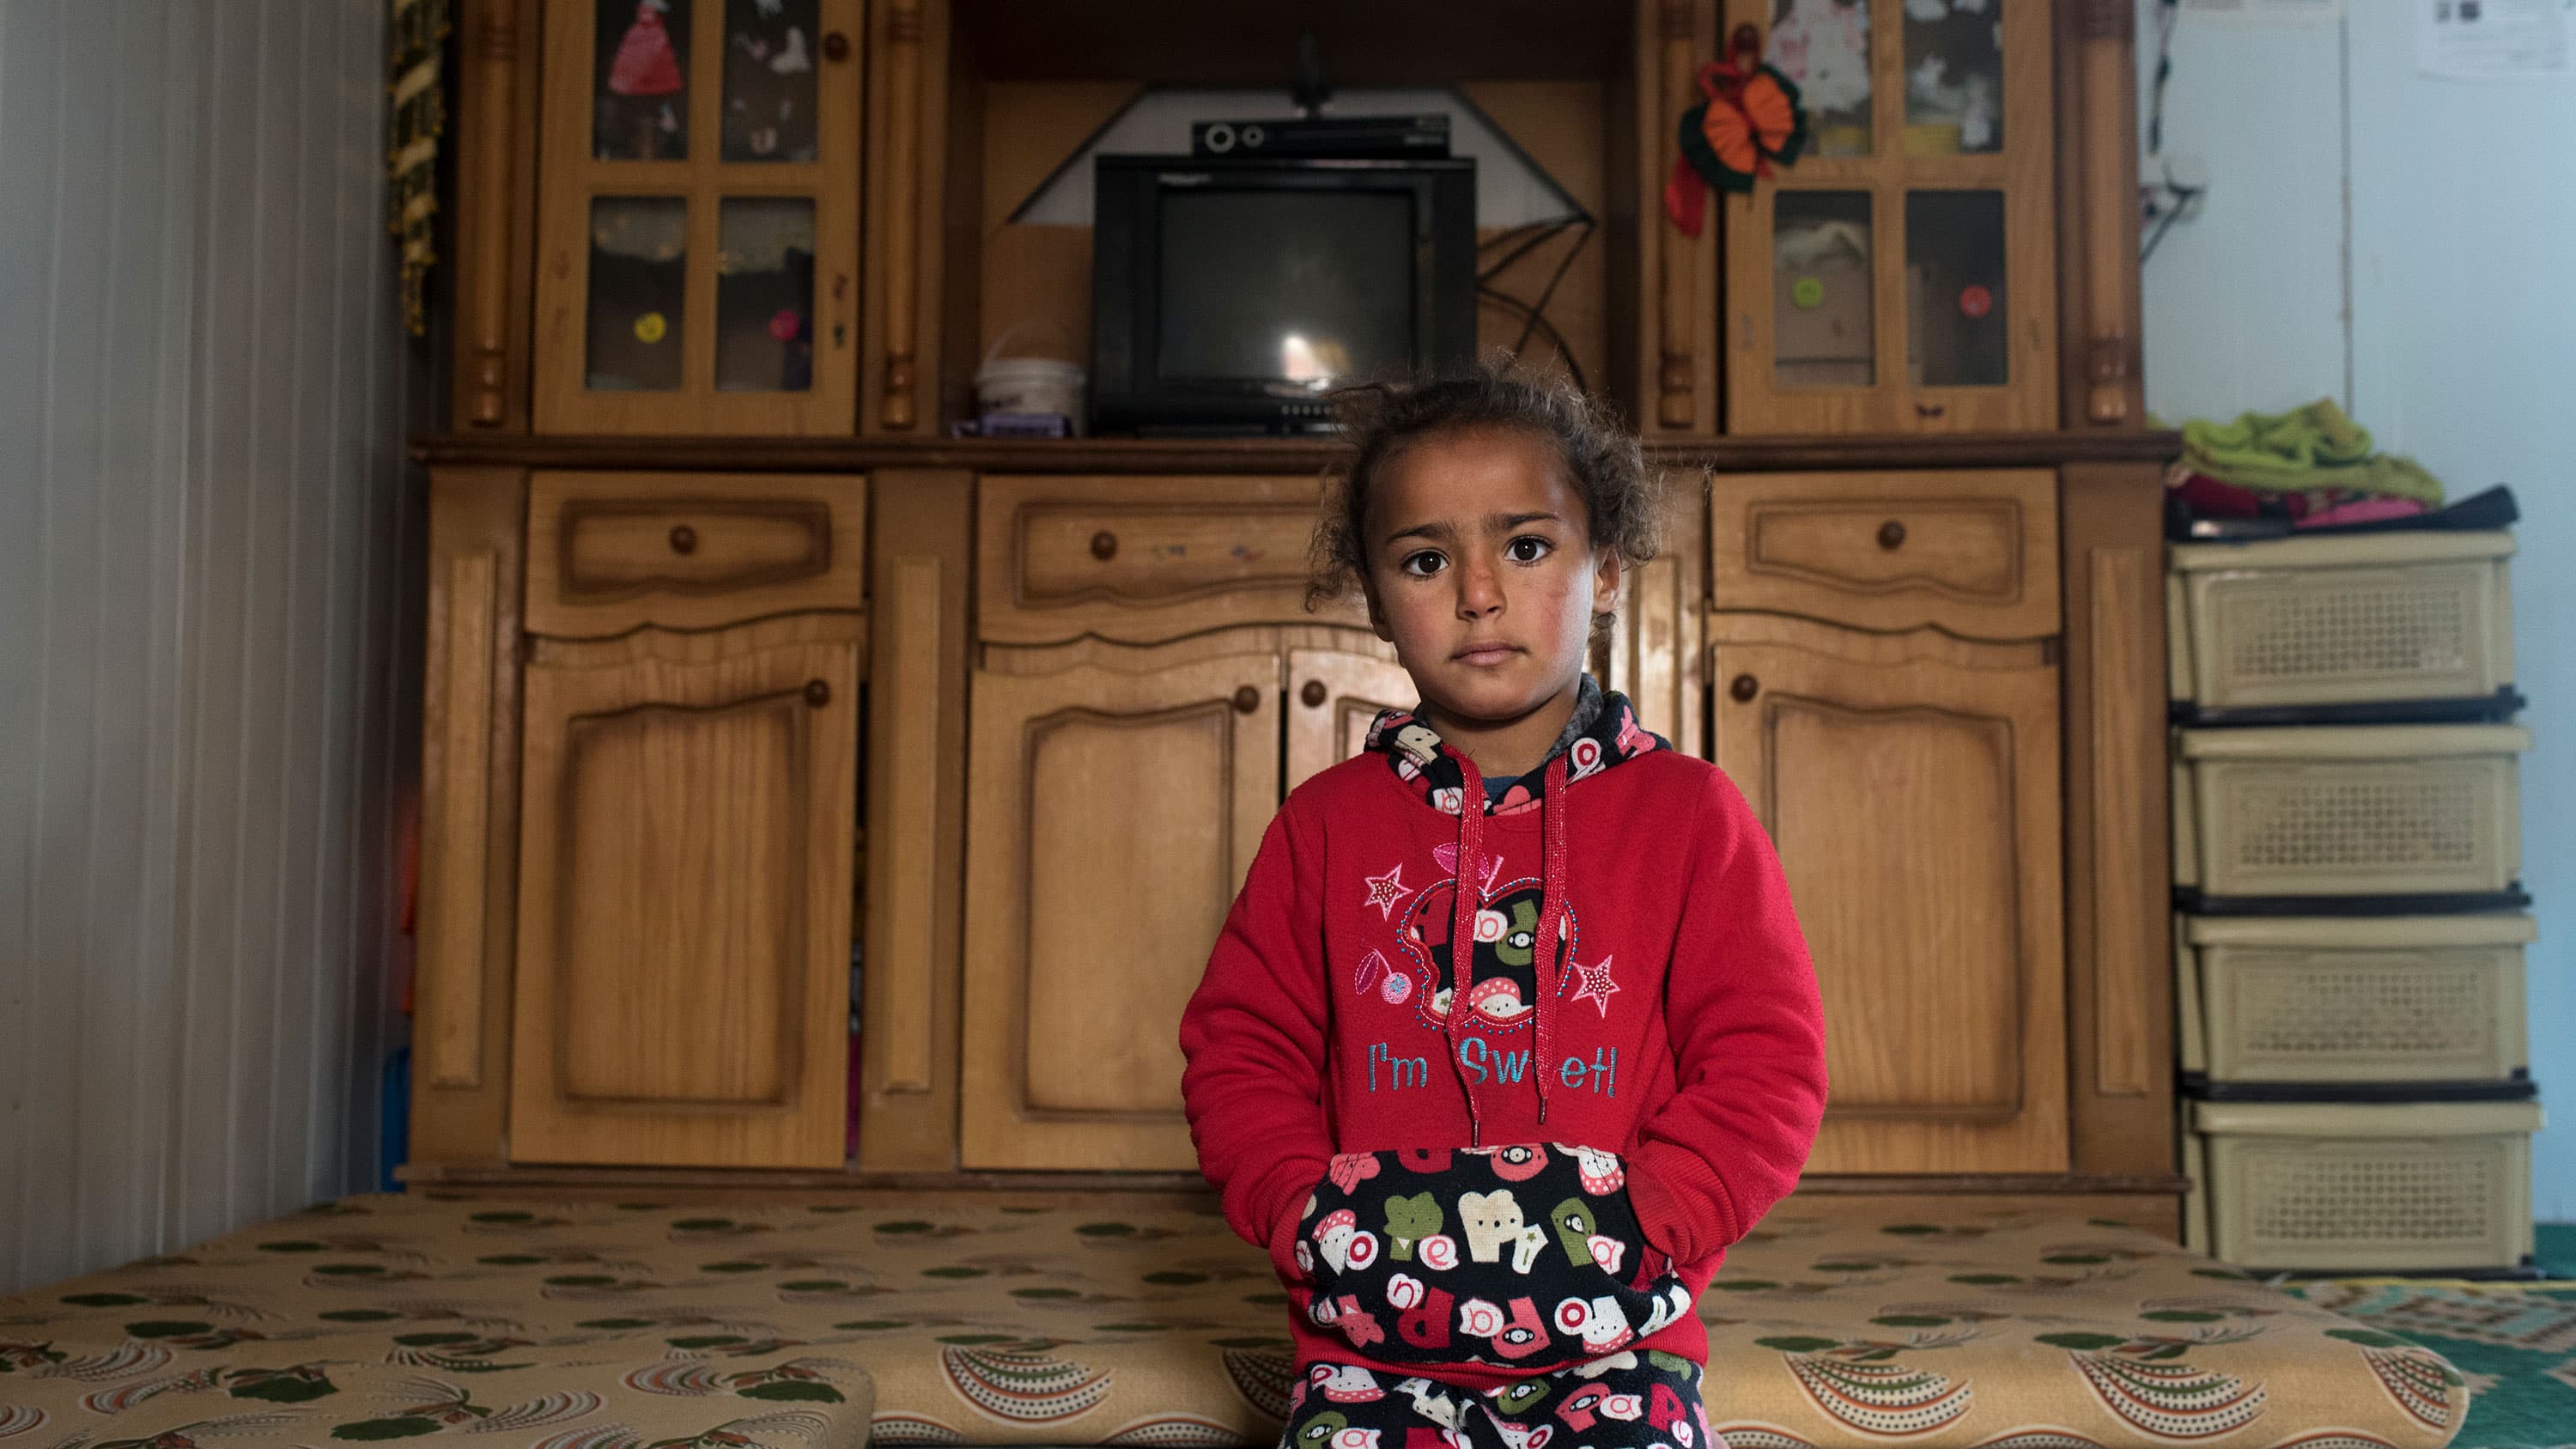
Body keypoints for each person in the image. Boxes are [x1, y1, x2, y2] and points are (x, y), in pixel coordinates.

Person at [1177, 368, 1829, 1449]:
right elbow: (1242, 1047)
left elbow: (1769, 1058)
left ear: (1606, 569)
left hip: (1621, 1340)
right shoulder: (1324, 824)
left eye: (1525, 547)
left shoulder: (1691, 814)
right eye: (1426, 560)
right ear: (1375, 601)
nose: (1478, 593)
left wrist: (1664, 1215)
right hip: (1367, 1344)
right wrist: (1300, 1211)